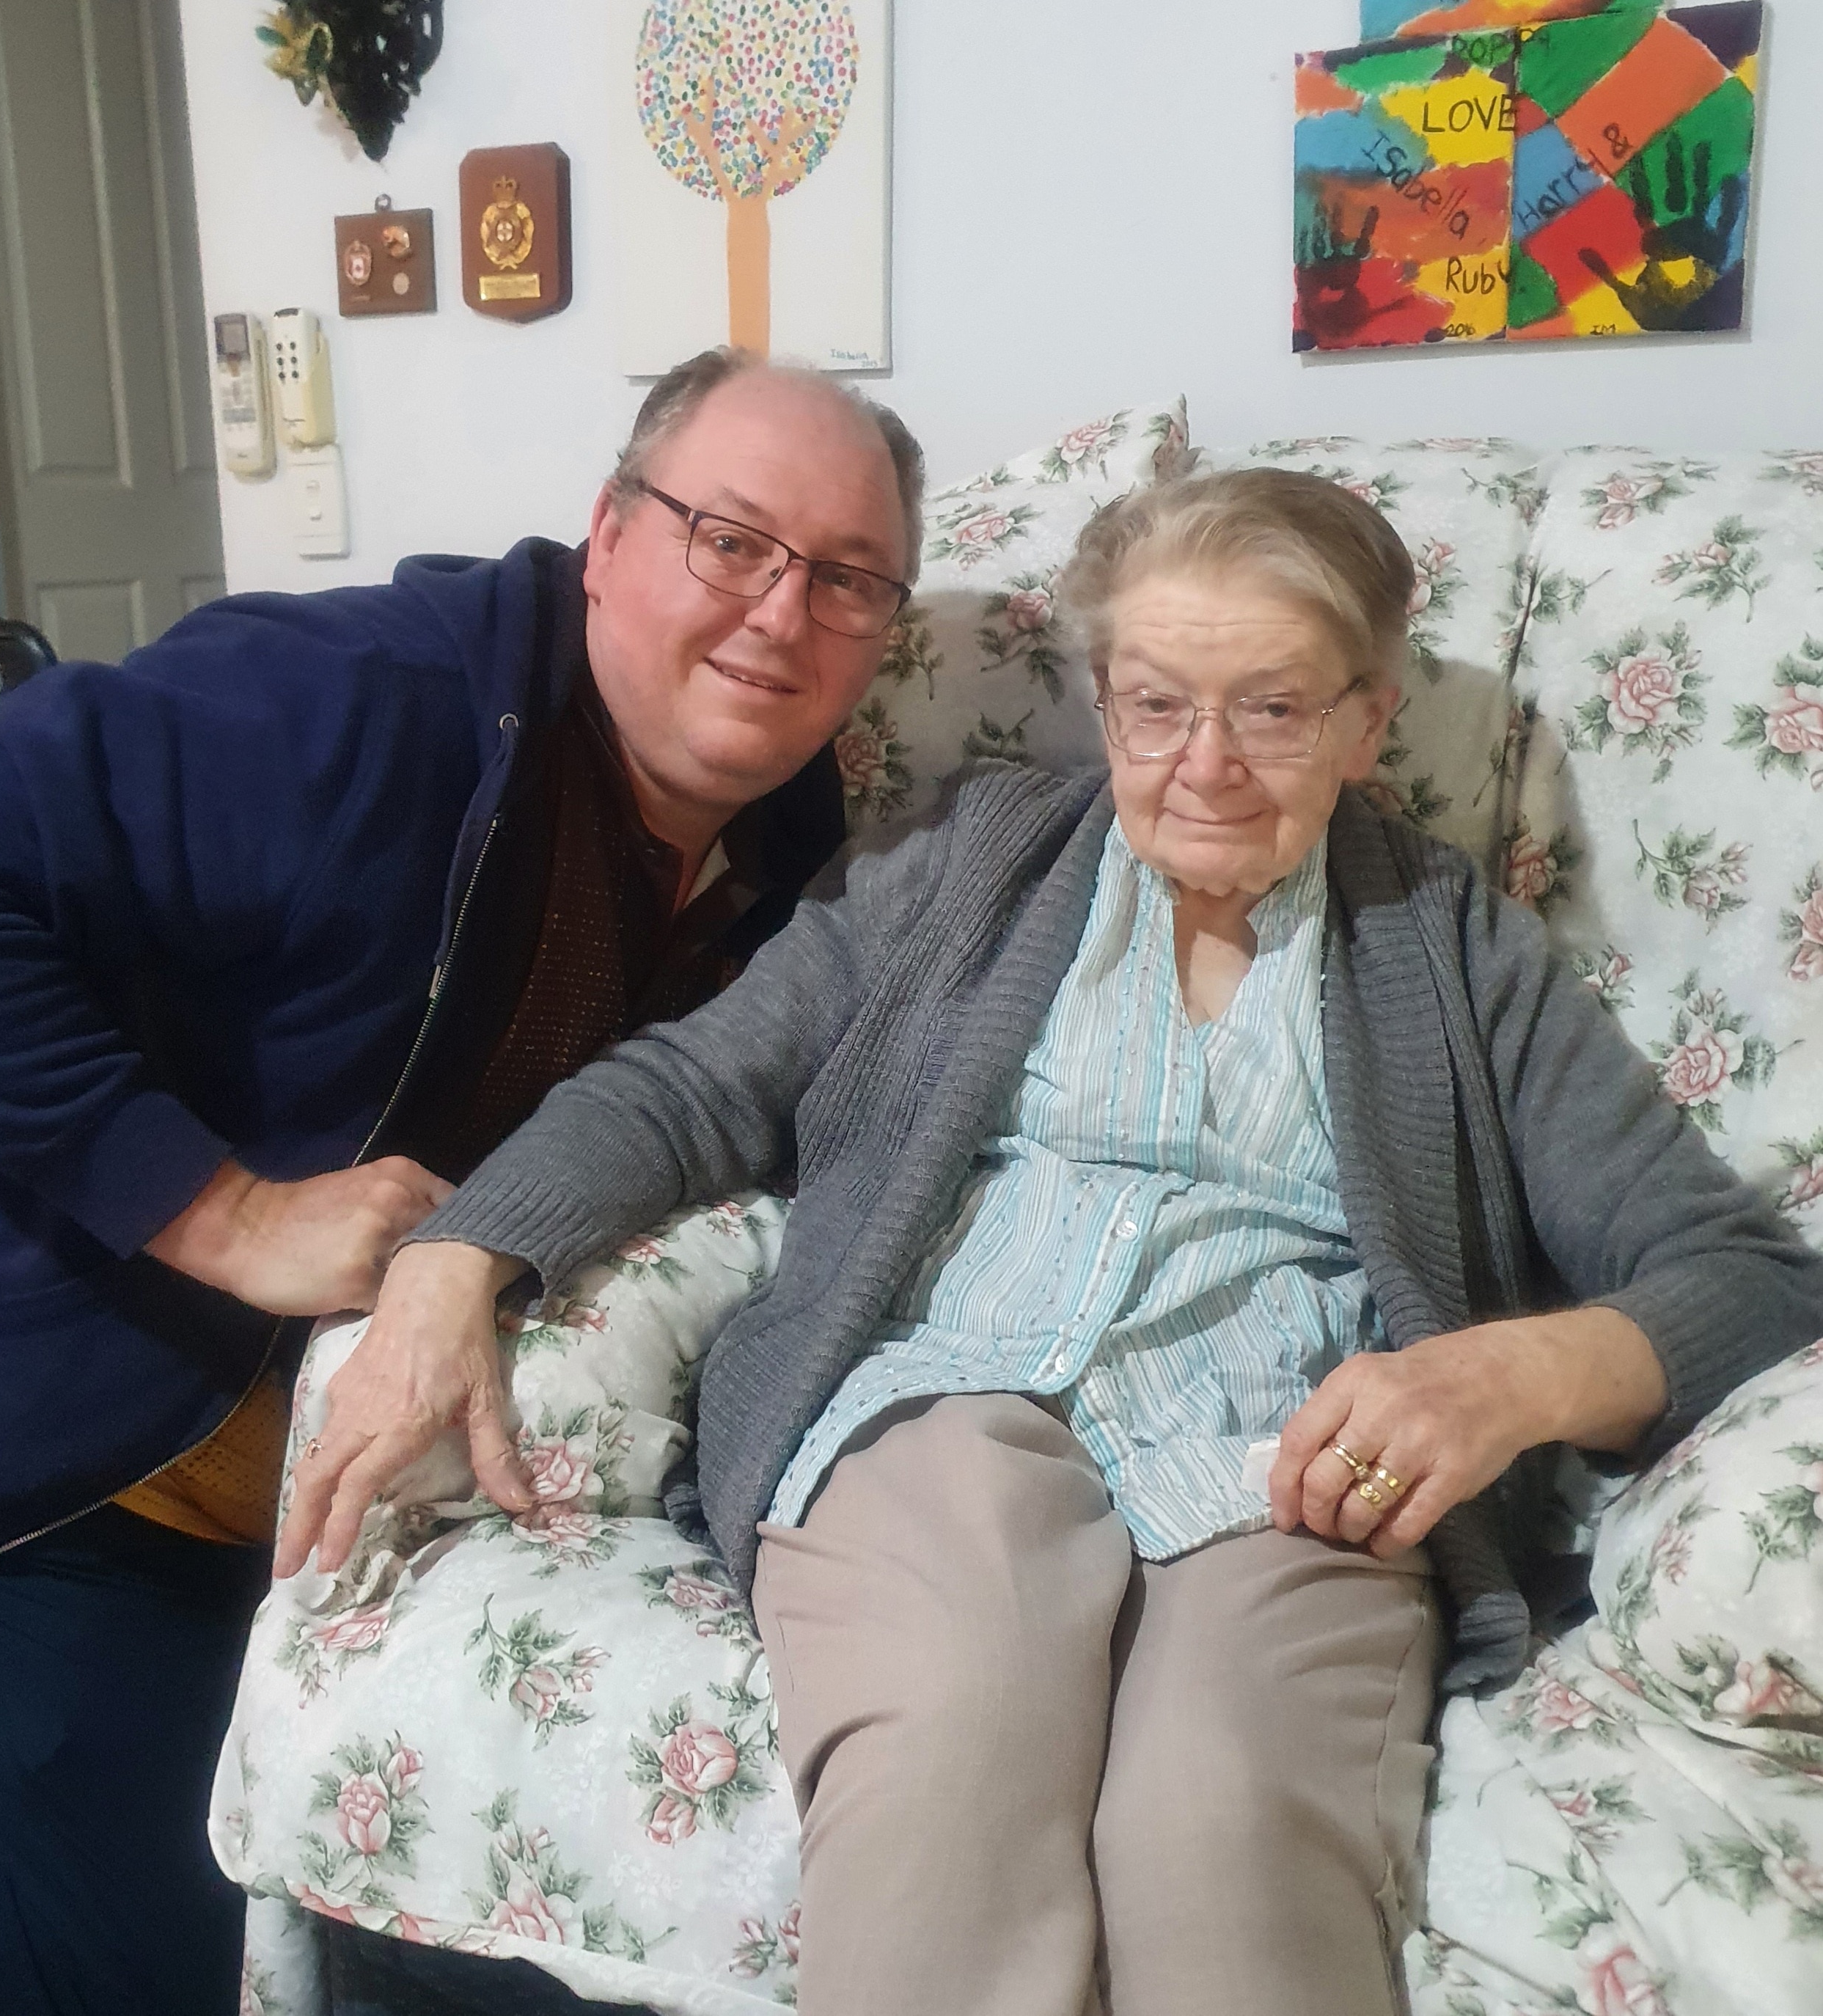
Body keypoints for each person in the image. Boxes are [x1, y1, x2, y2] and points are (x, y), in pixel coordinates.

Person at [286, 469, 1823, 2016]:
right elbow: (692, 1083)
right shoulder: (970, 864)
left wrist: (1514, 1375)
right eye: (1156, 704)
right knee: (958, 1723)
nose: (1204, 765)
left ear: (1363, 723)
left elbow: (1741, 1281)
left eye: (1273, 709)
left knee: (1222, 1815)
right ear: (1101, 701)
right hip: (932, 1404)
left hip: (1282, 1466)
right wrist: (456, 1255)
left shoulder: (1451, 944)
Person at [0, 347, 920, 2016]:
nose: (782, 613)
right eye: (729, 539)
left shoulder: (785, 842)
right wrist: (227, 1215)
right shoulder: (356, 702)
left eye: (846, 577)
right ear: (609, 534)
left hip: (360, 1537)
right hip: (97, 1497)